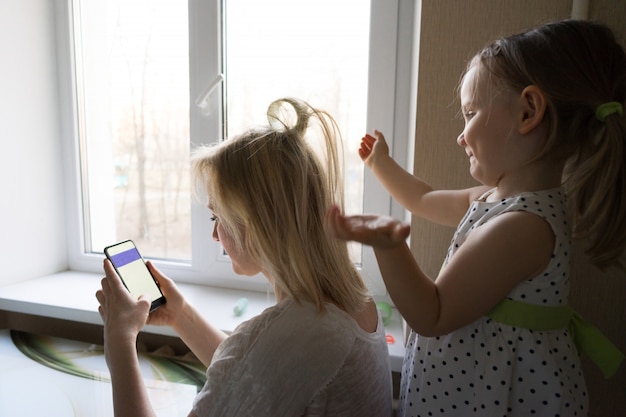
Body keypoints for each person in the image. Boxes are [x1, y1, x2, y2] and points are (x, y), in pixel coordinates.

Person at [326, 20, 625, 416]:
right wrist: (382, 164)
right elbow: (424, 198)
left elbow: (432, 313)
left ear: (528, 112)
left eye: (470, 113)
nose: (461, 135)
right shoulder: (498, 199)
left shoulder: (522, 227)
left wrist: (389, 243)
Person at [96, 98, 393, 417]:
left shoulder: (295, 334)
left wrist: (119, 340)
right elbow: (253, 382)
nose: (214, 236)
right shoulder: (354, 302)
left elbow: (254, 365)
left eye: (216, 219)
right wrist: (180, 315)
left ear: (255, 225)